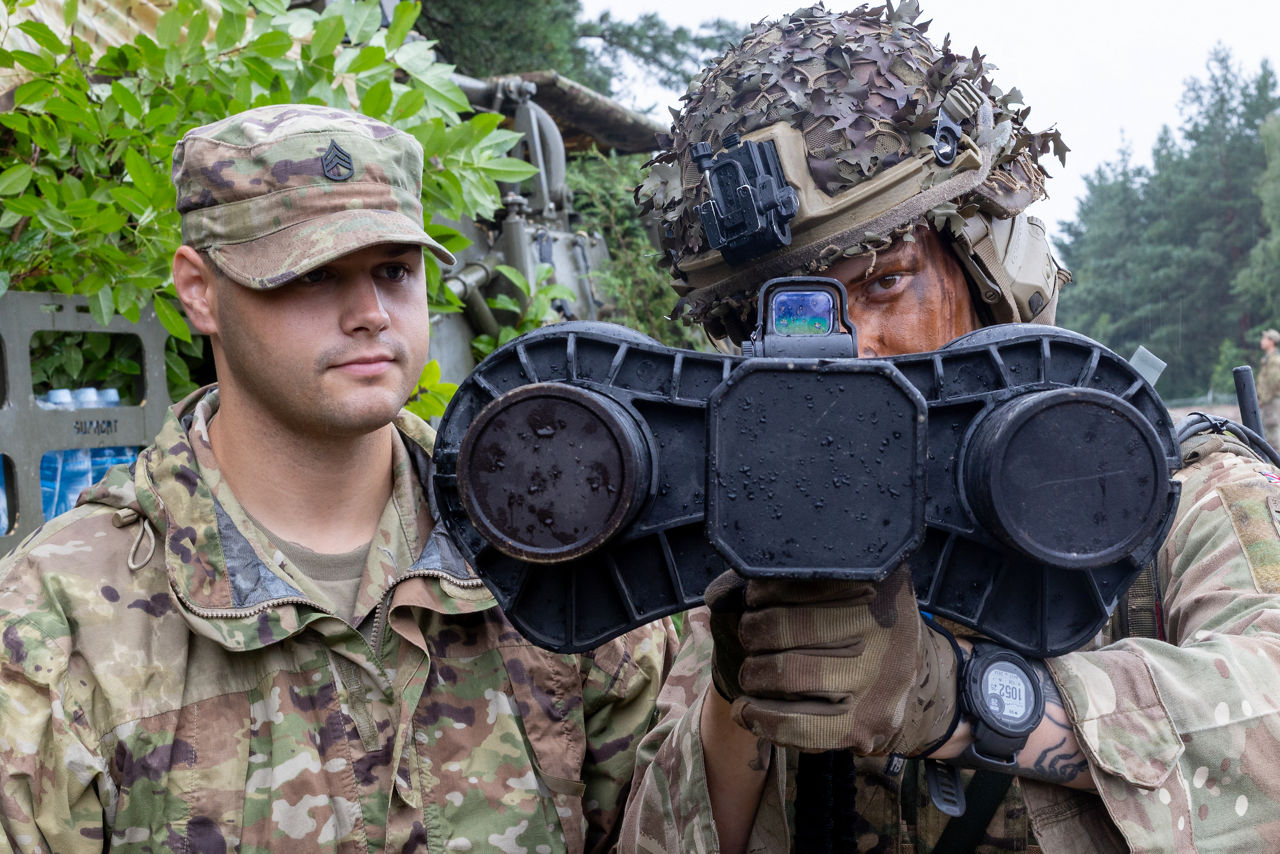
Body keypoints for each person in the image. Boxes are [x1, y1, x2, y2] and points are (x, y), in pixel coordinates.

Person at [620, 5, 1280, 852]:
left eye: (887, 282)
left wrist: (957, 700)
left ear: (989, 266)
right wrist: (743, 691)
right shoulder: (752, 561)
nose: (849, 348)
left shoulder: (1178, 499)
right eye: (788, 317)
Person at [0, 105, 674, 851]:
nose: (370, 315)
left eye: (394, 271)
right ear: (198, 291)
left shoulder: (543, 543)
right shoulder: (56, 617)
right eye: (312, 274)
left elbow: (675, 820)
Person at [1257, 328, 1280, 448]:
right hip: (1268, 401)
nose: (1262, 341)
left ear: (1271, 341)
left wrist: (1263, 400)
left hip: (1271, 401)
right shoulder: (1268, 359)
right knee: (1267, 431)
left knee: (1272, 431)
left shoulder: (1275, 361)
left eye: (1264, 338)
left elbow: (1273, 383)